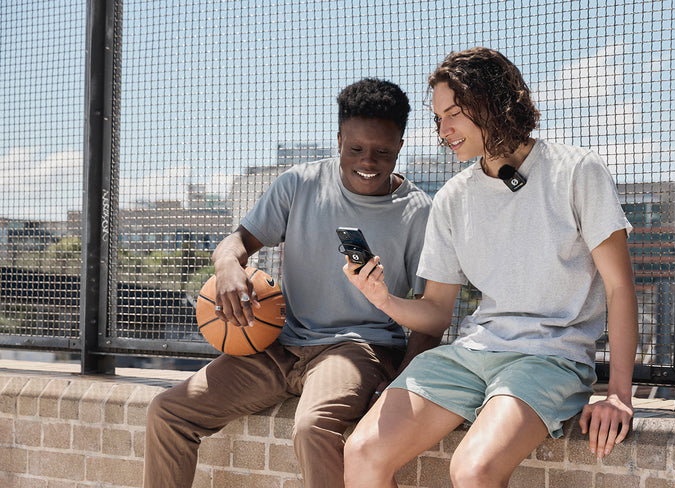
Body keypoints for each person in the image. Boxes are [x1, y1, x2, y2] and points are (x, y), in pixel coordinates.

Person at [342, 48, 638, 488]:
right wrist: (382, 299)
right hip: (471, 354)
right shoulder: (452, 198)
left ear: (494, 103)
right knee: (362, 451)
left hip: (549, 358)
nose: (443, 130)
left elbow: (619, 288)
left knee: (473, 469)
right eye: (438, 118)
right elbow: (436, 313)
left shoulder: (577, 171)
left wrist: (618, 394)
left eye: (454, 114)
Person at [144, 78, 439, 488]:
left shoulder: (419, 213)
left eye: (382, 152)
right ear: (339, 140)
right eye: (355, 149)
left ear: (400, 146)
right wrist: (227, 264)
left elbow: (431, 317)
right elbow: (237, 242)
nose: (368, 161)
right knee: (167, 412)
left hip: (358, 349)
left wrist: (398, 385)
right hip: (280, 344)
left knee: (313, 426)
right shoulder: (299, 183)